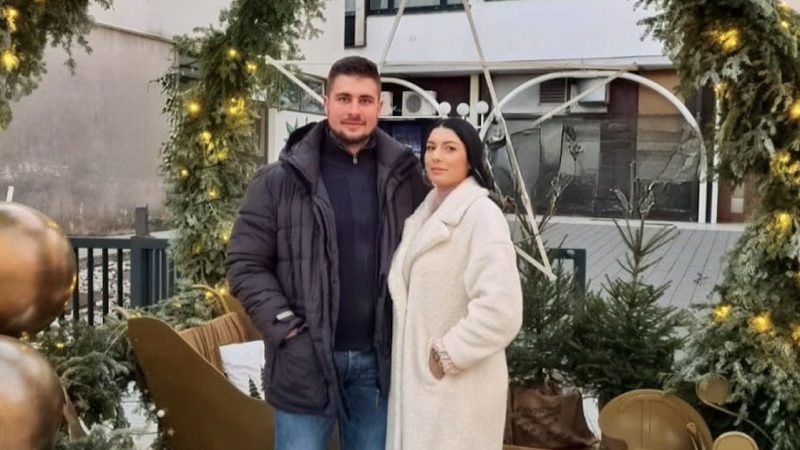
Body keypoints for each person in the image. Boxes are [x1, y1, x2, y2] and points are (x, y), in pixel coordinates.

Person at [225, 56, 427, 450]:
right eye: (344, 98)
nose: (354, 110)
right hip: (305, 362)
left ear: (380, 106)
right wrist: (287, 329)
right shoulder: (278, 182)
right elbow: (245, 264)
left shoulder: (407, 180)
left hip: (379, 365)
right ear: (326, 102)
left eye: (365, 100)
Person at [386, 117, 523, 450]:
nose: (436, 156)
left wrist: (446, 354)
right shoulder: (423, 216)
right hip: (421, 394)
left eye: (450, 149)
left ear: (470, 159)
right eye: (431, 147)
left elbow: (502, 310)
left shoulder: (481, 215)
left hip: (459, 394)